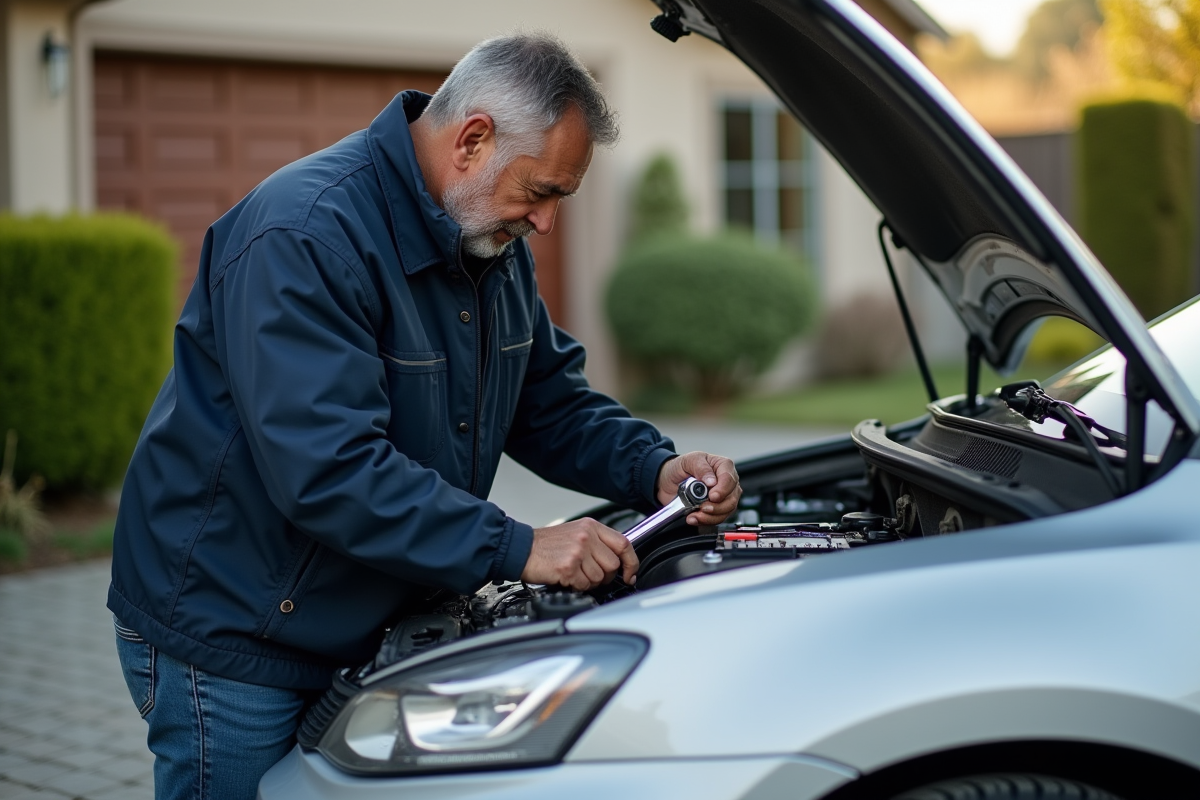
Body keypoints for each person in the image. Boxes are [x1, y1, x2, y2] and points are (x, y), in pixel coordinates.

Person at [108, 32, 741, 800]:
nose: (546, 224)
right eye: (541, 192)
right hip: (237, 632)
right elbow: (329, 469)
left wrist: (655, 467)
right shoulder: (305, 234)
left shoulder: (489, 242)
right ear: (473, 140)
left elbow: (547, 401)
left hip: (369, 612)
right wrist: (517, 546)